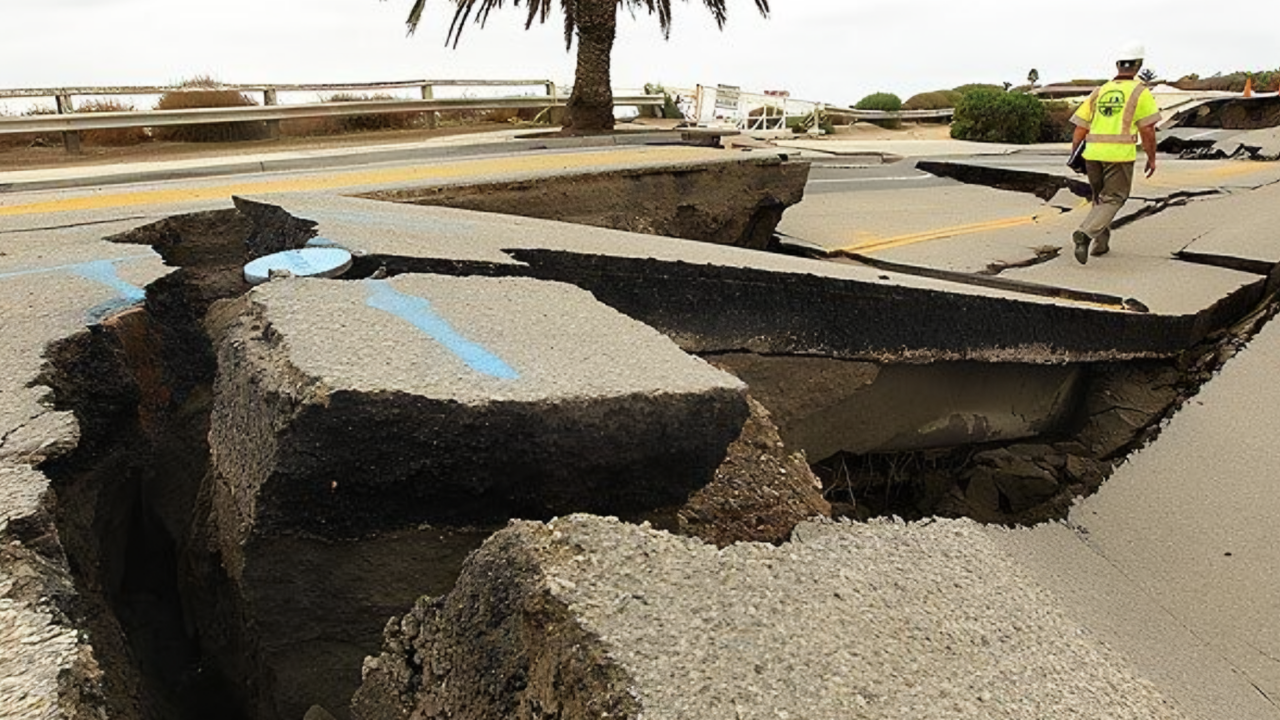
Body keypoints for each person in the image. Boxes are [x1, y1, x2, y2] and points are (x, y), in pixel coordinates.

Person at [1069, 42, 1162, 264]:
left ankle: (1101, 245)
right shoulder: (1140, 92)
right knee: (1114, 198)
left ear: (1117, 65)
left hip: (1092, 154)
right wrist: (1151, 157)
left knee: (1100, 200)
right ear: (1138, 65)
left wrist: (1075, 155)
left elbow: (1080, 127)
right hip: (1119, 156)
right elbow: (1147, 129)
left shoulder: (1100, 91)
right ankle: (1085, 234)